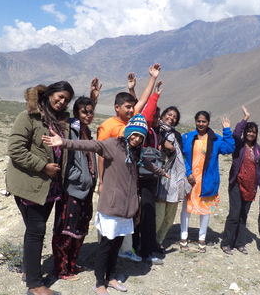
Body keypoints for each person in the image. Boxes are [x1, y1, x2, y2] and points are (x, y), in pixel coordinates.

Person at [42, 114, 170, 295]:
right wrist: (63, 142)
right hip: (111, 205)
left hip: (126, 208)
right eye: (134, 134)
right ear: (128, 132)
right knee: (106, 246)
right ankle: (99, 282)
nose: (136, 139)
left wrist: (161, 172)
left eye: (140, 137)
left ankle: (110, 278)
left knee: (116, 246)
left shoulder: (137, 152)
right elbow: (91, 145)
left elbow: (148, 164)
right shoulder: (112, 145)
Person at [6, 81, 74, 295]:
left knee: (33, 230)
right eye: (60, 96)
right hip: (30, 185)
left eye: (66, 100)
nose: (62, 102)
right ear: (49, 94)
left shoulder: (59, 121)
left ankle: (29, 271)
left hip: (49, 187)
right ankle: (35, 285)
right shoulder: (28, 117)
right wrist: (42, 166)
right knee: (37, 231)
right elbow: (15, 149)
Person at [97, 64, 161, 262]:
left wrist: (152, 78)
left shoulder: (131, 121)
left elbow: (143, 100)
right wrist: (101, 181)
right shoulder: (107, 127)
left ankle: (125, 249)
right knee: (108, 216)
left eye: (133, 107)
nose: (132, 110)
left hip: (129, 179)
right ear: (117, 107)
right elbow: (100, 155)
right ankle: (104, 251)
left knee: (128, 214)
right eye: (128, 107)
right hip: (112, 180)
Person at [52, 78, 102, 280]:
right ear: (76, 114)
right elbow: (68, 161)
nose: (89, 115)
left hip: (86, 189)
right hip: (73, 188)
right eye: (84, 112)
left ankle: (72, 265)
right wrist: (80, 177)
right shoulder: (70, 131)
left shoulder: (86, 131)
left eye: (91, 112)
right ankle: (61, 269)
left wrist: (92, 99)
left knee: (81, 227)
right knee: (66, 230)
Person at [180, 111, 235, 253]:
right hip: (190, 180)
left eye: (204, 121)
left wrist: (227, 130)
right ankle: (183, 236)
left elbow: (229, 148)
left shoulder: (215, 139)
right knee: (186, 209)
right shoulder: (187, 137)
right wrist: (188, 172)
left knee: (205, 210)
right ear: (195, 121)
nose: (201, 124)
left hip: (207, 181)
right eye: (198, 121)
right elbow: (183, 157)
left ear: (208, 122)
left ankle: (202, 238)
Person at [220, 105, 260, 255]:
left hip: (250, 187)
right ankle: (226, 242)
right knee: (234, 215)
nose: (251, 134)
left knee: (243, 216)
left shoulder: (259, 150)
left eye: (253, 132)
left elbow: (259, 171)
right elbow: (235, 133)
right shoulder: (238, 145)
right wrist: (245, 119)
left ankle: (239, 243)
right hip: (236, 184)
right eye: (249, 131)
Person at [133, 82, 164, 264]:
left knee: (144, 213)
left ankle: (142, 247)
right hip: (142, 177)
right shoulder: (144, 129)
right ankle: (145, 251)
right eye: (155, 116)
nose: (157, 119)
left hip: (148, 178)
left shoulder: (153, 131)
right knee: (145, 214)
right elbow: (145, 112)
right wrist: (154, 96)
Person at [154, 106, 192, 253]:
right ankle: (149, 241)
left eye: (175, 116)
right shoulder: (156, 130)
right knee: (159, 215)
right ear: (162, 116)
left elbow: (180, 157)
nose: (171, 118)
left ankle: (159, 241)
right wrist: (163, 144)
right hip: (160, 177)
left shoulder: (177, 135)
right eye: (169, 115)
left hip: (175, 178)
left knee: (170, 217)